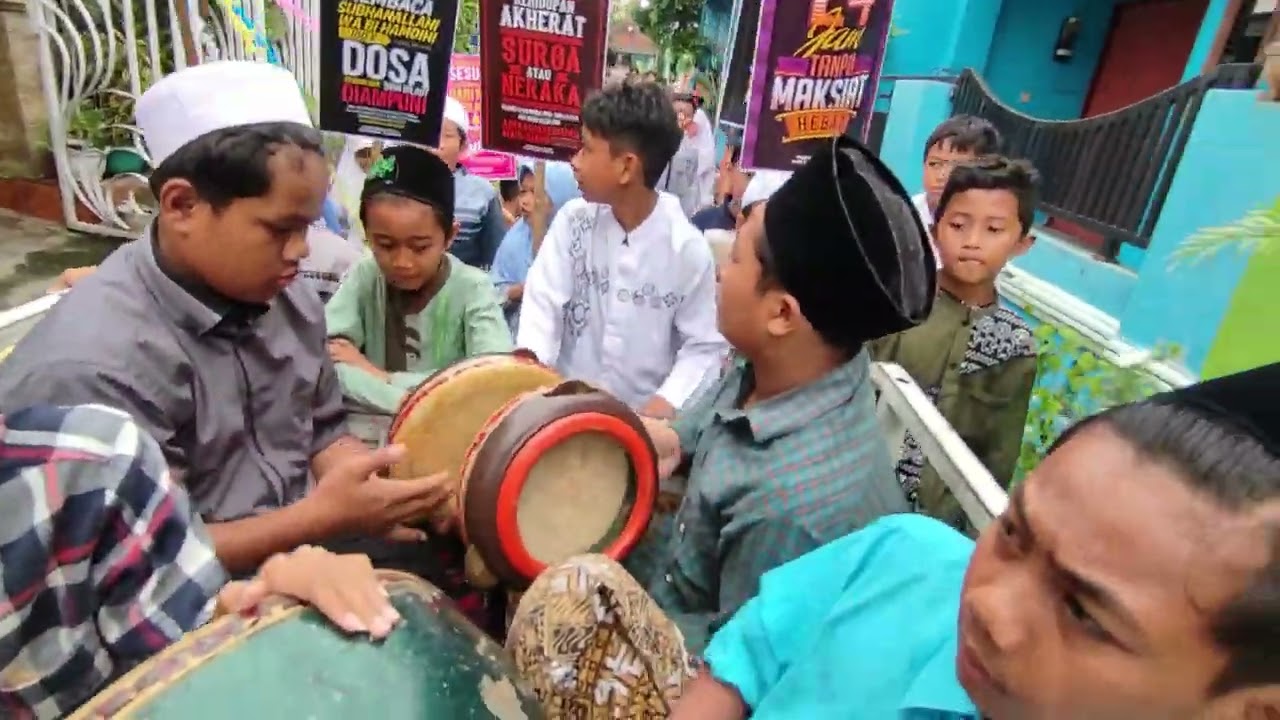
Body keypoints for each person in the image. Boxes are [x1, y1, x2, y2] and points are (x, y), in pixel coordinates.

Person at [504, 133, 939, 715]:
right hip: (684, 581)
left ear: (782, 313)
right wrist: (634, 434)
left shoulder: (794, 507)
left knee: (557, 599)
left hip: (708, 666)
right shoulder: (791, 363)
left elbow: (738, 675)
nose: (719, 273)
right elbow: (687, 431)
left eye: (735, 259)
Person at [0, 61, 452, 586]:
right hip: (179, 607)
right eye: (281, 228)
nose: (302, 250)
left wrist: (373, 489)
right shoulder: (93, 370)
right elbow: (137, 562)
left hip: (308, 547)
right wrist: (321, 518)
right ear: (182, 206)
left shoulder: (288, 299)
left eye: (307, 225)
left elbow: (323, 429)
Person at [664, 361, 1280, 719]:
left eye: (1083, 612)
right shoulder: (898, 559)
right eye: (1014, 533)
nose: (989, 606)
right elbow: (742, 662)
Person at [0, 403, 404, 718]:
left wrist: (260, 599)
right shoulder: (92, 364)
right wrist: (314, 519)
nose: (295, 289)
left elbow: (187, 637)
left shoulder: (95, 463)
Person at [516, 80, 727, 418]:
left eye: (586, 149)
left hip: (640, 425)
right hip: (560, 410)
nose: (575, 161)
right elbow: (542, 304)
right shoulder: (574, 222)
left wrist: (659, 409)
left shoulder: (686, 249)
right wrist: (533, 376)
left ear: (626, 167)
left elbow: (702, 347)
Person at [871, 156, 1039, 531]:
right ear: (935, 231)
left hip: (939, 527)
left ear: (1022, 243)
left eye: (994, 229)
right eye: (959, 225)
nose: (973, 242)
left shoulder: (1014, 344)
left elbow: (998, 457)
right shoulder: (901, 304)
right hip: (865, 499)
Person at [324, 145, 513, 414]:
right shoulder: (365, 276)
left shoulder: (473, 287)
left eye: (420, 247)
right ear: (367, 233)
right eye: (386, 245)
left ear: (450, 236)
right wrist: (415, 402)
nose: (402, 262)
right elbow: (331, 360)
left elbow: (492, 375)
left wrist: (381, 377)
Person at [490, 160, 582, 338]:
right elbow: (490, 291)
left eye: (537, 192)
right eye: (523, 191)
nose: (525, 201)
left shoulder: (581, 243)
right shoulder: (515, 239)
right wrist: (514, 292)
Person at [914, 115, 1003, 267]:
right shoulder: (903, 215)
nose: (942, 176)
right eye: (935, 164)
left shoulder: (991, 226)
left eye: (957, 168)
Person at [433, 96, 506, 271]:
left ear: (463, 143)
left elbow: (496, 258)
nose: (438, 145)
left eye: (447, 135)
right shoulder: (401, 183)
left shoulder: (482, 192)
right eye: (433, 133)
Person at [658, 92, 707, 217]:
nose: (681, 118)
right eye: (678, 112)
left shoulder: (693, 148)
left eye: (687, 115)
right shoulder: (655, 143)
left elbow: (692, 185)